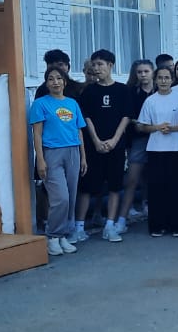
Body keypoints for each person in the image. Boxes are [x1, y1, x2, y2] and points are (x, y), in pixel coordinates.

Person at [29, 66, 87, 256]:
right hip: (52, 152)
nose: (55, 82)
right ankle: (52, 236)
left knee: (70, 197)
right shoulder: (40, 104)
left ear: (65, 82)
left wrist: (83, 157)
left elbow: (79, 131)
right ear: (46, 83)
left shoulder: (72, 103)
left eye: (59, 78)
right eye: (51, 79)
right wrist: (40, 160)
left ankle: (63, 235)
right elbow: (37, 134)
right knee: (60, 197)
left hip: (73, 152)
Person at [77, 49, 132, 244]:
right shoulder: (89, 91)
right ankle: (79, 227)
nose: (96, 68)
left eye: (100, 64)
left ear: (110, 65)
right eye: (94, 65)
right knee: (87, 186)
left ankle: (110, 225)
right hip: (94, 146)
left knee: (115, 185)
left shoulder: (122, 90)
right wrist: (96, 141)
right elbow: (86, 118)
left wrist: (115, 140)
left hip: (116, 145)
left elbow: (126, 116)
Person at [136, 66, 178, 237]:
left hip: (177, 149)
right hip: (156, 149)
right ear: (155, 80)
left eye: (167, 77)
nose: (163, 81)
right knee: (157, 189)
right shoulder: (150, 101)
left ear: (172, 79)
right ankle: (158, 225)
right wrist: (157, 128)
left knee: (177, 188)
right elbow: (142, 126)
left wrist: (172, 128)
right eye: (160, 78)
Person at [116, 59, 155, 233]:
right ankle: (121, 219)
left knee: (155, 179)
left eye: (146, 71)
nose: (143, 75)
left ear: (152, 72)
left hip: (160, 138)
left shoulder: (160, 90)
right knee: (132, 180)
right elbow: (127, 115)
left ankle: (155, 211)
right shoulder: (131, 92)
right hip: (138, 139)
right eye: (140, 72)